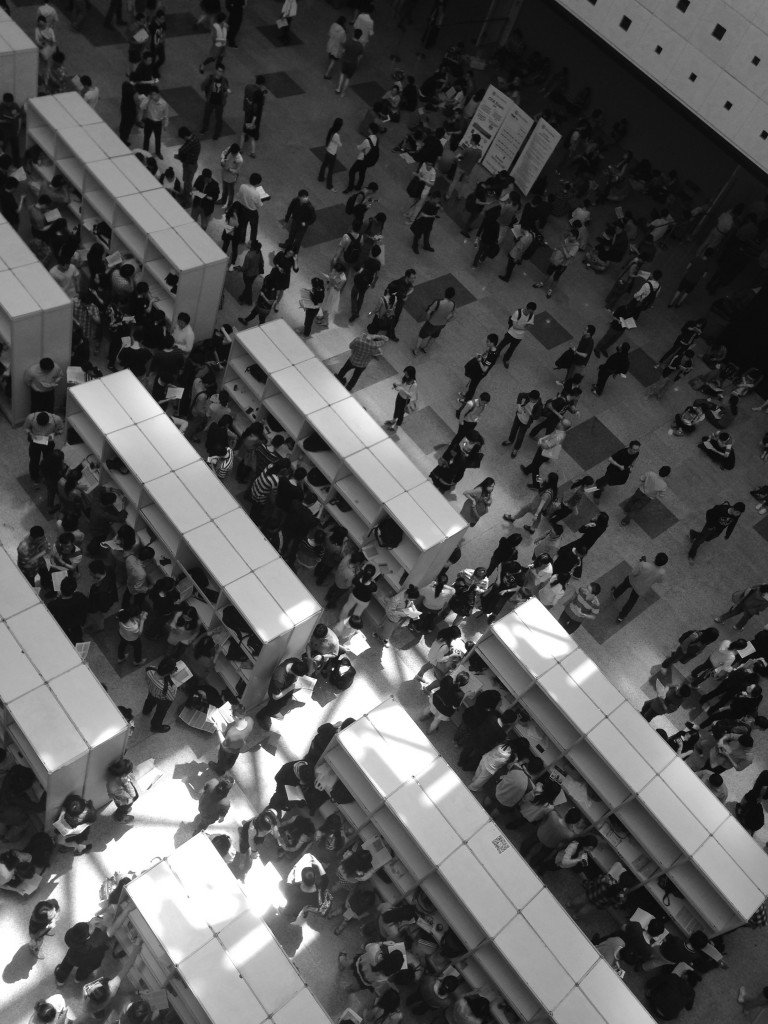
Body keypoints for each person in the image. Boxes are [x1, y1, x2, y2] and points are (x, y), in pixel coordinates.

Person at [612, 553, 668, 622]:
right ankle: (621, 617)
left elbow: (634, 572)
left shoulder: (644, 565)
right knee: (632, 601)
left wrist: (642, 562)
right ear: (663, 564)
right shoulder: (662, 573)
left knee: (623, 586)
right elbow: (660, 581)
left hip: (632, 580)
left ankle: (614, 595)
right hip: (642, 588)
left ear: (655, 557)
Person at [533, 229, 579, 297]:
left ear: (575, 237)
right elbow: (560, 247)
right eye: (569, 235)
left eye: (571, 236)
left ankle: (550, 290)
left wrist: (563, 246)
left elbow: (568, 256)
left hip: (562, 265)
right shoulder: (567, 239)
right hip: (556, 260)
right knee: (548, 272)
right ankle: (541, 283)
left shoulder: (575, 247)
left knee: (556, 278)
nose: (569, 237)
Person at [210, 704, 254, 773]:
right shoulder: (250, 720)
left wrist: (218, 729)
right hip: (237, 748)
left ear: (236, 717)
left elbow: (224, 743)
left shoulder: (232, 734)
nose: (231, 716)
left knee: (222, 761)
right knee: (231, 760)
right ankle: (227, 767)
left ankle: (219, 771)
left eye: (231, 715)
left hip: (227, 750)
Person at [142, 655, 179, 733]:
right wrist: (175, 686)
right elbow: (171, 698)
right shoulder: (167, 686)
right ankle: (155, 726)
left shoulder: (150, 669)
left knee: (149, 701)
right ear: (170, 672)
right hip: (162, 699)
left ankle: (146, 711)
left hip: (152, 691)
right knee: (160, 712)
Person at [17, 525, 53, 592]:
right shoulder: (23, 548)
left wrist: (46, 547)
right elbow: (28, 564)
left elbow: (45, 545)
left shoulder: (40, 538)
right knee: (31, 586)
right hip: (28, 571)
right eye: (40, 539)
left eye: (43, 538)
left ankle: (46, 586)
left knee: (46, 577)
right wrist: (44, 552)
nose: (42, 540)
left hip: (40, 563)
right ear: (33, 538)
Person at [384, 366, 418, 432]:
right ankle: (393, 420)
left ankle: (396, 426)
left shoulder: (414, 384)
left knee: (401, 413)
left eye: (407, 374)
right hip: (399, 396)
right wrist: (397, 384)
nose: (405, 375)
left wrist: (402, 389)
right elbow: (402, 384)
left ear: (411, 374)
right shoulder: (405, 378)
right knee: (396, 408)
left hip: (405, 400)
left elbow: (410, 395)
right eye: (405, 373)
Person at [139, 85, 169, 157]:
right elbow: (142, 107)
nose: (153, 96)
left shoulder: (164, 103)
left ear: (158, 94)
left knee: (158, 138)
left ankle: (158, 152)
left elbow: (166, 115)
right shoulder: (148, 101)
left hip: (158, 123)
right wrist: (148, 98)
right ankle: (145, 151)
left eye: (154, 94)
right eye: (151, 94)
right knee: (147, 137)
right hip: (149, 121)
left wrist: (165, 124)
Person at [106, 758, 138, 823]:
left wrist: (128, 778)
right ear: (124, 774)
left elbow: (130, 776)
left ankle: (124, 811)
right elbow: (132, 795)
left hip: (124, 795)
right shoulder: (115, 787)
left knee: (136, 797)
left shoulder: (117, 776)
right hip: (124, 802)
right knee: (122, 809)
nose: (131, 772)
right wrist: (127, 783)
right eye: (129, 772)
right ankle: (119, 817)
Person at [337, 28, 365, 99]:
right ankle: (343, 93)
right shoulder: (360, 46)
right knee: (348, 79)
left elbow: (343, 49)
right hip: (353, 64)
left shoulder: (348, 41)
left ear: (353, 34)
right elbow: (360, 56)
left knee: (342, 74)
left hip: (345, 61)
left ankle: (338, 88)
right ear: (360, 36)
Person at [319, 117, 343, 191]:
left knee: (324, 164)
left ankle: (321, 177)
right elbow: (340, 144)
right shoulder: (337, 135)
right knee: (331, 170)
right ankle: (329, 186)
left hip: (328, 150)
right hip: (332, 153)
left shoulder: (331, 130)